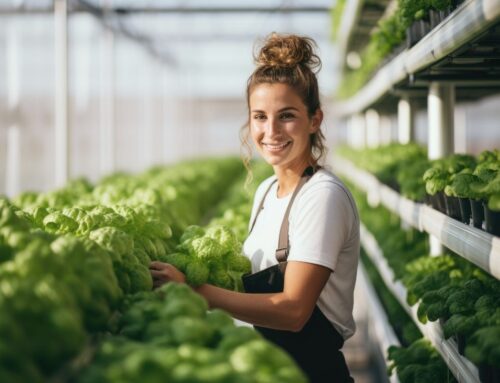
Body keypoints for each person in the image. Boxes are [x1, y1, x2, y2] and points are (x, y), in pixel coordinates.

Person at [149, 33, 360, 383]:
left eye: (287, 115)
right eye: (260, 117)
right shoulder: (265, 191)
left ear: (315, 120)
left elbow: (293, 311)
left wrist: (196, 291)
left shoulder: (322, 197)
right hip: (267, 368)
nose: (271, 130)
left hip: (310, 373)